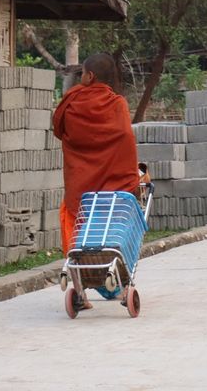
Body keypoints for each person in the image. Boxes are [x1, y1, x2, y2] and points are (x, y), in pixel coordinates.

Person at [53, 53, 140, 301]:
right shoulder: (118, 104)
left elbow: (60, 130)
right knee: (112, 229)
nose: (81, 78)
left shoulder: (71, 103)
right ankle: (116, 279)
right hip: (113, 189)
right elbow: (124, 140)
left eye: (82, 73)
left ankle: (80, 287)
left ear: (90, 76)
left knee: (74, 225)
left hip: (80, 188)